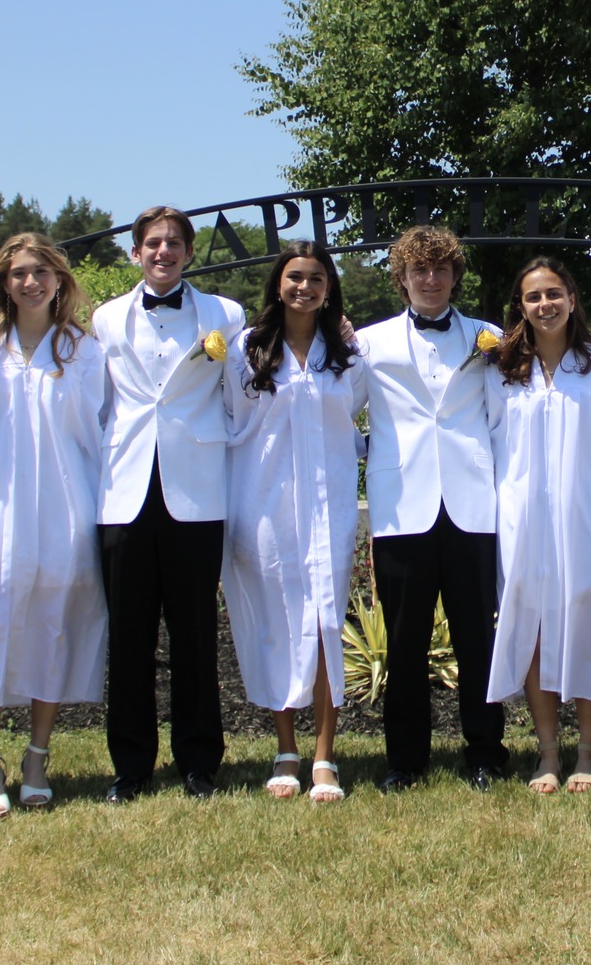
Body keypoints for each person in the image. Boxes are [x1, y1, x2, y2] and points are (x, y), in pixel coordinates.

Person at [91, 206, 246, 801]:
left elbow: (239, 398)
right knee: (128, 637)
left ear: (188, 252)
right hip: (124, 490)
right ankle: (129, 766)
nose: (163, 252)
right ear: (136, 253)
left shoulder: (223, 315)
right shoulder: (106, 319)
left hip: (197, 492)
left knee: (196, 633)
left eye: (174, 243)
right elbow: (99, 404)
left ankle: (199, 763)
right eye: (153, 243)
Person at [0, 233, 108, 816]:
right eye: (19, 273)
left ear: (60, 281)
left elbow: (101, 433)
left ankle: (37, 756)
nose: (30, 282)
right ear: (3, 281)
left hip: (64, 507)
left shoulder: (83, 351)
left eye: (41, 272)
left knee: (53, 626)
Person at [358, 225, 508, 792]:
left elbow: (501, 418)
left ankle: (487, 754)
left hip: (473, 506)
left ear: (454, 276)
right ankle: (405, 761)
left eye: (441, 268)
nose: (431, 279)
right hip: (402, 508)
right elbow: (341, 413)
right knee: (404, 640)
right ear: (402, 278)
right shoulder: (369, 344)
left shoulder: (488, 337)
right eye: (419, 270)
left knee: (478, 639)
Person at [223, 243, 368, 802]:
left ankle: (325, 753)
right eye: (294, 277)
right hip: (265, 502)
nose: (304, 287)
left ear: (328, 288)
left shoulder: (349, 356)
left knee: (327, 620)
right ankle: (286, 748)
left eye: (315, 279)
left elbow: (350, 421)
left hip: (328, 504)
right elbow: (233, 420)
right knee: (276, 621)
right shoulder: (247, 351)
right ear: (277, 284)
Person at [485, 256, 591, 794]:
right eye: (532, 296)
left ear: (571, 297)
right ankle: (548, 752)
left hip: (588, 515)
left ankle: (588, 750)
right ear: (519, 307)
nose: (544, 304)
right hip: (521, 519)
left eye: (553, 293)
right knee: (532, 628)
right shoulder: (501, 372)